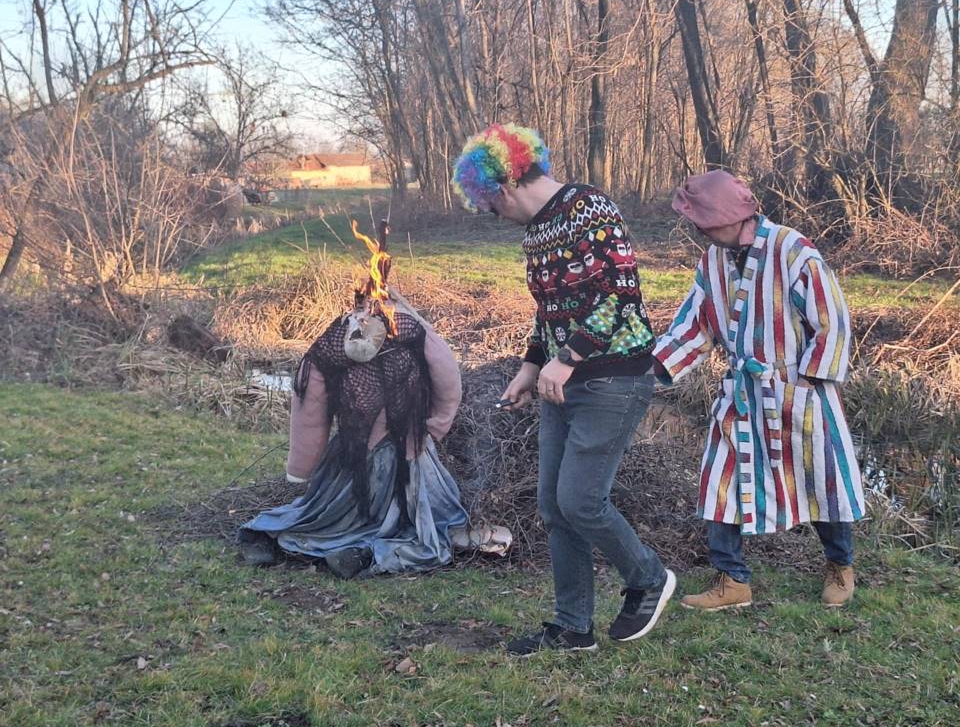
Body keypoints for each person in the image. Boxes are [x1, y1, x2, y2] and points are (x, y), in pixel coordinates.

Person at [451, 123, 676, 655]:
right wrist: (532, 366)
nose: (493, 215)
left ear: (505, 185)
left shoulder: (589, 209)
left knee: (581, 500)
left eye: (489, 204)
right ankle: (574, 627)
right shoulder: (537, 232)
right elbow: (550, 310)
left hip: (614, 377)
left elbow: (618, 294)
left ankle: (648, 577)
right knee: (555, 506)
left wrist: (567, 358)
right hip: (563, 382)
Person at [653, 170, 864, 609]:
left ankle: (840, 566)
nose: (699, 231)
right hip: (741, 393)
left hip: (797, 390)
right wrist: (654, 366)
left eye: (704, 221)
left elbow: (832, 319)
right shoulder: (712, 262)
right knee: (720, 481)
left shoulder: (792, 250)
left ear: (728, 215)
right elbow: (695, 326)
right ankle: (732, 580)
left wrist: (809, 379)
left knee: (819, 479)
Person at [238, 295, 472, 578]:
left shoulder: (342, 339)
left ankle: (354, 551)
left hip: (381, 455)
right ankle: (362, 552)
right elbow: (448, 381)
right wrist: (435, 427)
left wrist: (301, 469)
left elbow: (309, 408)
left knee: (338, 515)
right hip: (386, 455)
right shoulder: (409, 331)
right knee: (422, 523)